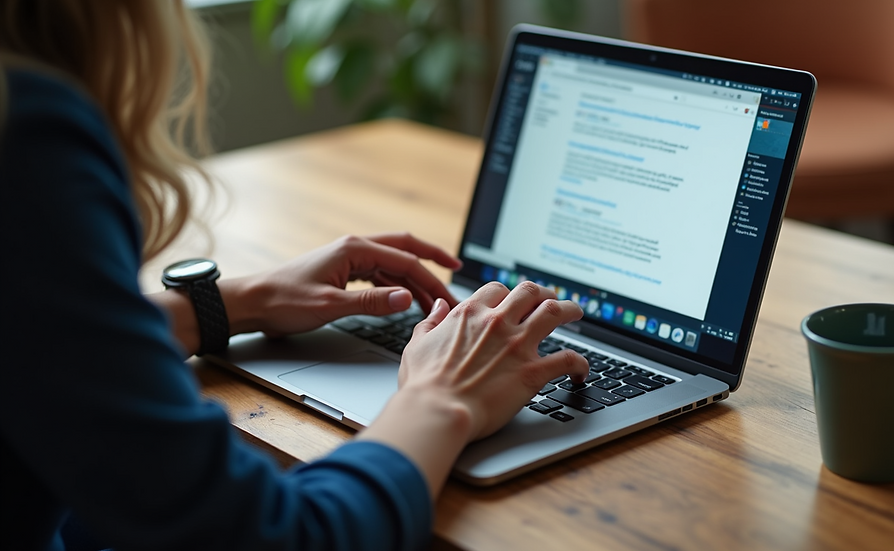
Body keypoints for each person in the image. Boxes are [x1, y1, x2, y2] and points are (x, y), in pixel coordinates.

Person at [0, 1, 589, 550]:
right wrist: (442, 398)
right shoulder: (28, 140)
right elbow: (282, 536)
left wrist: (231, 303)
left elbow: (34, 340)